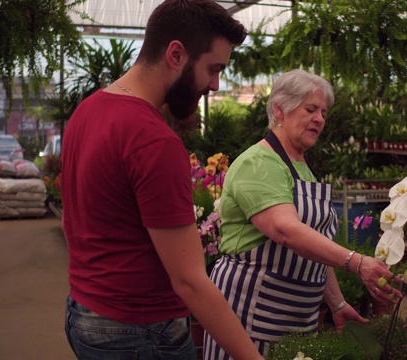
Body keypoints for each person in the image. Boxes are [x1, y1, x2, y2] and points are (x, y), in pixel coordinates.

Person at [61, 1, 263, 359]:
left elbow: (73, 220)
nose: (215, 85)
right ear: (175, 54)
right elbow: (190, 282)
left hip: (84, 314)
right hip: (138, 331)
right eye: (213, 69)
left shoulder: (86, 112)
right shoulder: (153, 139)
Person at [203, 69, 403, 359]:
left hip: (298, 319)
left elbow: (314, 245)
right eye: (310, 109)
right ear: (279, 110)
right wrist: (357, 263)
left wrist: (336, 303)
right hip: (249, 315)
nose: (320, 118)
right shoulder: (259, 163)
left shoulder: (303, 168)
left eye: (323, 111)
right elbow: (286, 230)